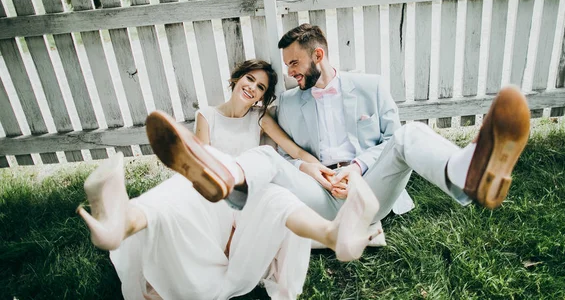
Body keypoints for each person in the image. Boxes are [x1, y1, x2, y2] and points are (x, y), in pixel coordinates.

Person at [158, 24, 530, 228]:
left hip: (370, 191)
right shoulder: (285, 103)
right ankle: (224, 178)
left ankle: (466, 175)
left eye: (294, 64)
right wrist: (314, 171)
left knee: (408, 133)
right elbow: (285, 155)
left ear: (318, 55)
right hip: (317, 195)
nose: (288, 73)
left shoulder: (372, 86)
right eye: (286, 66)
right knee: (265, 158)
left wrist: (356, 168)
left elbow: (388, 143)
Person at [77, 59, 380, 300]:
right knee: (182, 186)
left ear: (263, 97)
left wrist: (326, 172)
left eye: (260, 87)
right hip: (209, 199)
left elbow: (294, 151)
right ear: (237, 79)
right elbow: (190, 170)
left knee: (278, 197)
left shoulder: (260, 119)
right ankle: (123, 221)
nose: (253, 88)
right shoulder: (206, 115)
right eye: (250, 79)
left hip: (247, 197)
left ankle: (332, 234)